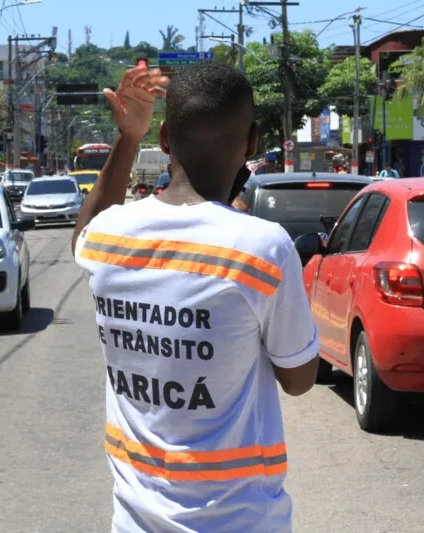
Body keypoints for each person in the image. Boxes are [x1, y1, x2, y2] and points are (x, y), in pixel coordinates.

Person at [72, 62, 319, 532]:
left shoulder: (106, 238)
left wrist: (128, 137)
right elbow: (299, 378)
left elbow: (84, 233)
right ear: (251, 143)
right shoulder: (263, 249)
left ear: (164, 139)